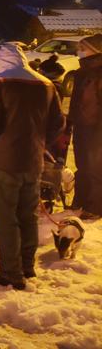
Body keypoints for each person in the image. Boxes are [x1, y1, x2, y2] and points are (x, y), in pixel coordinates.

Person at [0, 43, 64, 289]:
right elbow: (58, 123)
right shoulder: (46, 84)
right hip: (33, 160)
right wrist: (39, 144)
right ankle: (27, 265)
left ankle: (10, 271)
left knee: (5, 216)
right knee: (28, 214)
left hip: (3, 162)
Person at [69, 34, 102, 219]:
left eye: (83, 48)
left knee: (96, 168)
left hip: (97, 128)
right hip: (82, 127)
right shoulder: (81, 72)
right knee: (82, 166)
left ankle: (95, 207)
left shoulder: (99, 73)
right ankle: (80, 201)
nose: (79, 52)